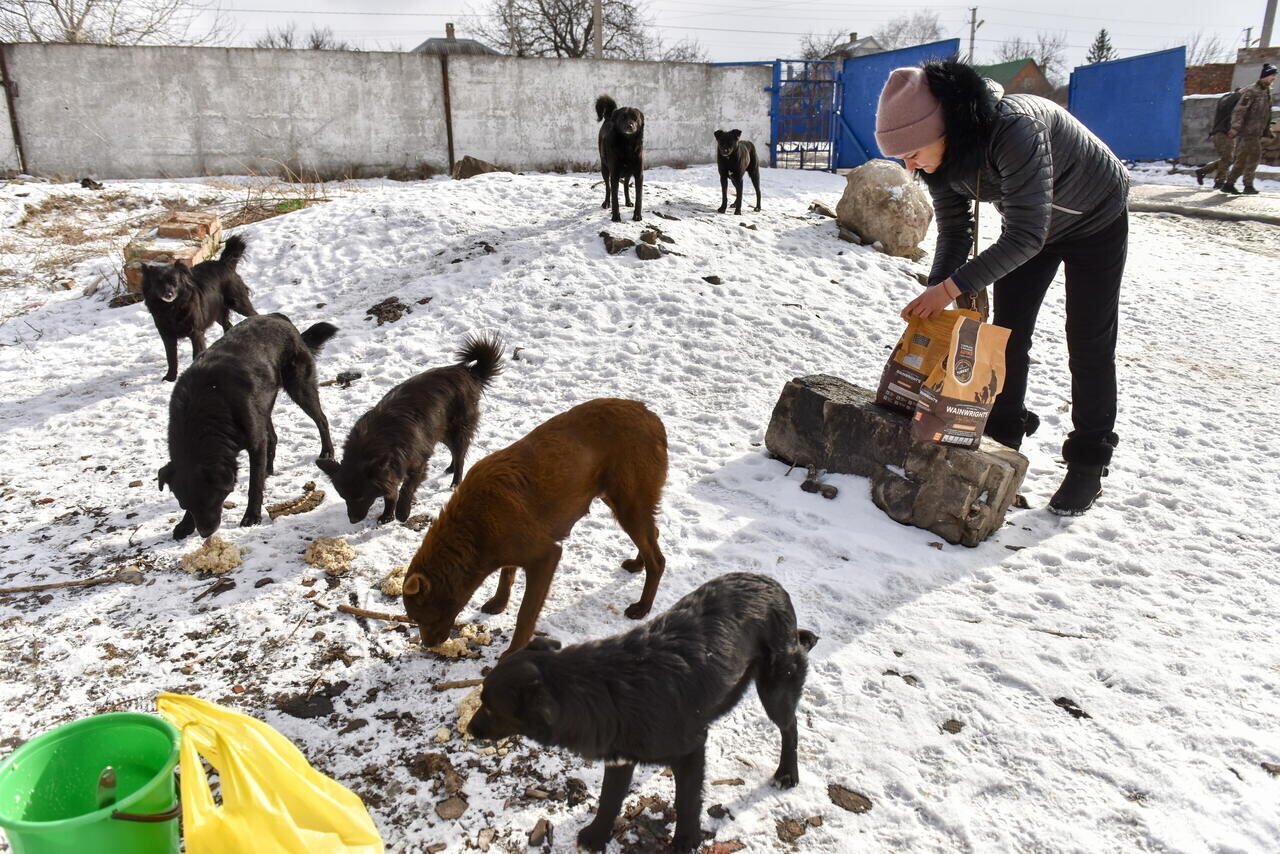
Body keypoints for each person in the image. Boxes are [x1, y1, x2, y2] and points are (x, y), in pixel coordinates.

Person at [875, 58, 1130, 516]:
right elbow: (956, 231)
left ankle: (1088, 463)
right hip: (1034, 227)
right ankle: (1004, 432)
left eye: (913, 151)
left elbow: (1027, 235)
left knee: (1088, 340)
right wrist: (939, 297)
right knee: (1007, 335)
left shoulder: (1015, 127)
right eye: (902, 157)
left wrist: (950, 289)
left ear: (946, 126)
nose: (909, 165)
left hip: (1095, 215)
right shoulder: (941, 160)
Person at [1221, 63, 1276, 195]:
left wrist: (1267, 130)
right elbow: (1239, 111)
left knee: (1242, 159)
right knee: (1255, 157)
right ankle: (1248, 185)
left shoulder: (1265, 91)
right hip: (1248, 132)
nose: (1274, 78)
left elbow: (1264, 114)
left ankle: (1229, 184)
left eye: (1275, 75)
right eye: (1272, 75)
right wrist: (1235, 127)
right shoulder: (1252, 91)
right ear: (1264, 76)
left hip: (1256, 132)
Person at [1194, 88, 1242, 189]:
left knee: (1228, 158)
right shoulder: (1235, 100)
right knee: (1228, 158)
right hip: (1224, 133)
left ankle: (1203, 171)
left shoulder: (1226, 100)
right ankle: (1219, 182)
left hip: (1220, 133)